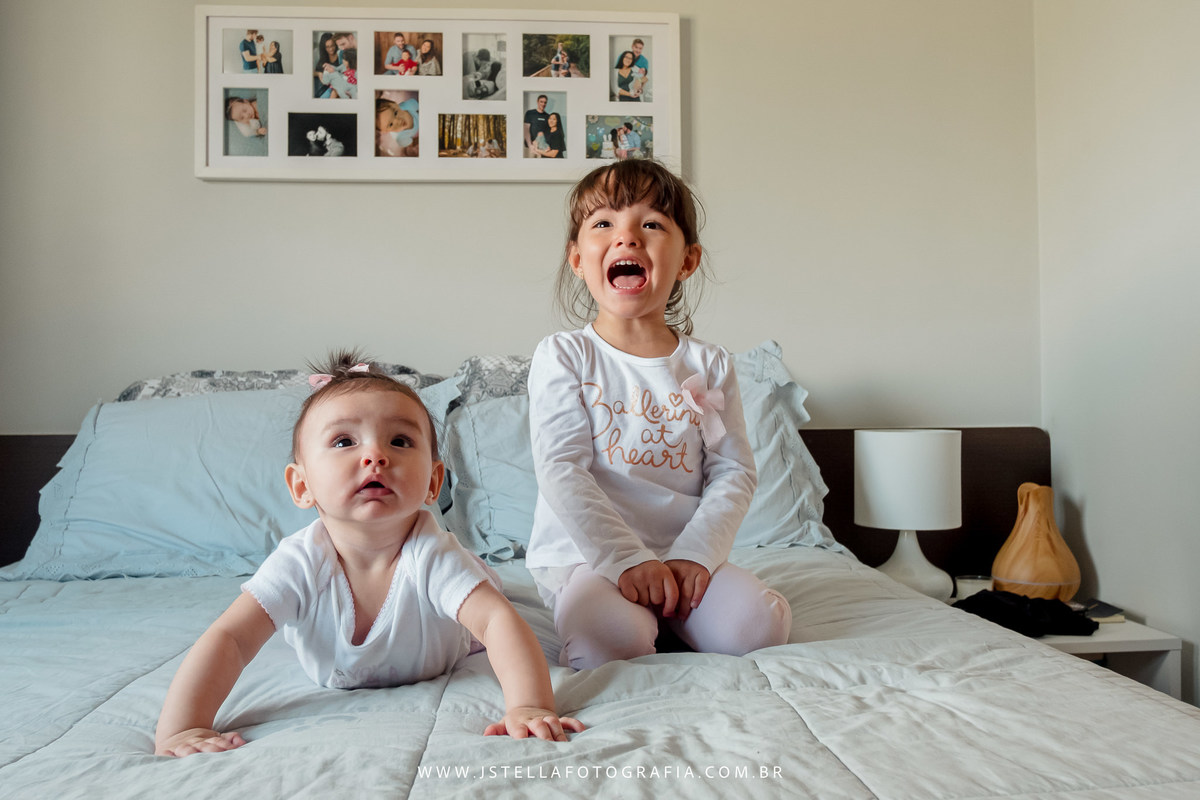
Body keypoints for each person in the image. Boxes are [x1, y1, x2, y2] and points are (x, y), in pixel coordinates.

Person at [155, 352, 584, 757]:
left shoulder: (432, 553)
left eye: (400, 441)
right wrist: (183, 727)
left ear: (434, 482)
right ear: (301, 486)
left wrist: (528, 706)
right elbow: (230, 639)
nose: (375, 456)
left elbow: (496, 623)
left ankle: (484, 576)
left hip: (448, 635)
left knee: (486, 598)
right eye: (344, 441)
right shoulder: (299, 561)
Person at [526, 160, 793, 671]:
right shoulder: (564, 355)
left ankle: (674, 612)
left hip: (683, 553)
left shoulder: (708, 364)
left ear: (688, 260)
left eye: (651, 224)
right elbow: (562, 468)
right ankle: (633, 617)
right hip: (592, 557)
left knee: (758, 628)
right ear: (578, 258)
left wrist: (695, 554)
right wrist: (628, 560)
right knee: (607, 645)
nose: (626, 237)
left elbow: (732, 471)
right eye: (603, 224)